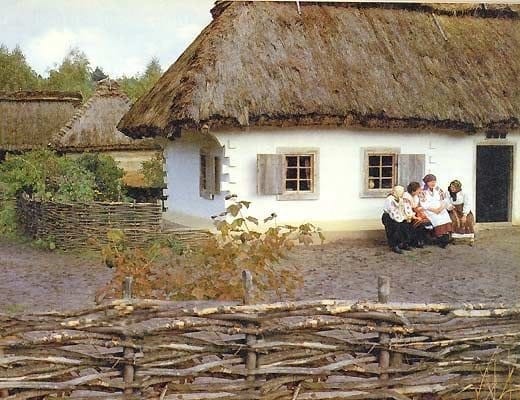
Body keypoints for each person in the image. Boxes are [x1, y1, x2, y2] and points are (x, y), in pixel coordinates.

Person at [419, 174, 452, 248]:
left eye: (434, 181)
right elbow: (423, 204)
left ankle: (445, 237)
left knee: (445, 216)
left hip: (440, 208)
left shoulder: (438, 189)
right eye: (431, 182)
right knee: (437, 218)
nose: (433, 183)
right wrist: (434, 210)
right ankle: (440, 237)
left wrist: (441, 208)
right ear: (426, 182)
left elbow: (444, 199)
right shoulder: (423, 191)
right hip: (430, 210)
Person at [382, 185, 414, 254]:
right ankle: (394, 245)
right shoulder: (390, 199)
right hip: (389, 217)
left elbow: (406, 208)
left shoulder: (401, 199)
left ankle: (404, 243)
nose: (403, 193)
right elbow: (392, 211)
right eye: (401, 192)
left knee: (406, 226)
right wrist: (402, 218)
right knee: (395, 227)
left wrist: (408, 215)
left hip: (400, 216)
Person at [403, 181, 432, 247]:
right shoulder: (406, 197)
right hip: (407, 215)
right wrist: (415, 216)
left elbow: (418, 206)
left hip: (415, 212)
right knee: (420, 222)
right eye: (418, 189)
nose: (420, 190)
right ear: (413, 191)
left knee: (427, 221)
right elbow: (407, 209)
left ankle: (421, 239)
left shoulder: (416, 196)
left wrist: (420, 209)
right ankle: (415, 241)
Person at [446, 180, 475, 244]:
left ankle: (470, 237)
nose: (452, 189)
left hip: (462, 210)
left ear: (458, 188)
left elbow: (467, 204)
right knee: (454, 220)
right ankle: (454, 237)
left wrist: (465, 215)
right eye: (451, 187)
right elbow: (447, 201)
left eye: (454, 187)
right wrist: (450, 206)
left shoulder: (464, 193)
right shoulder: (448, 193)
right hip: (453, 210)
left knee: (468, 220)